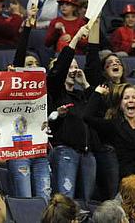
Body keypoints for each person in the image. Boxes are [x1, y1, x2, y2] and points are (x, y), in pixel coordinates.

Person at [47, 23, 100, 201]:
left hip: (87, 154)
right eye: (70, 67)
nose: (73, 70)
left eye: (76, 66)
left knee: (85, 202)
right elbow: (58, 71)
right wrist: (76, 38)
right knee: (65, 200)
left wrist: (85, 84)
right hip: (65, 152)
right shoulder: (55, 92)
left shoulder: (81, 95)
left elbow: (98, 107)